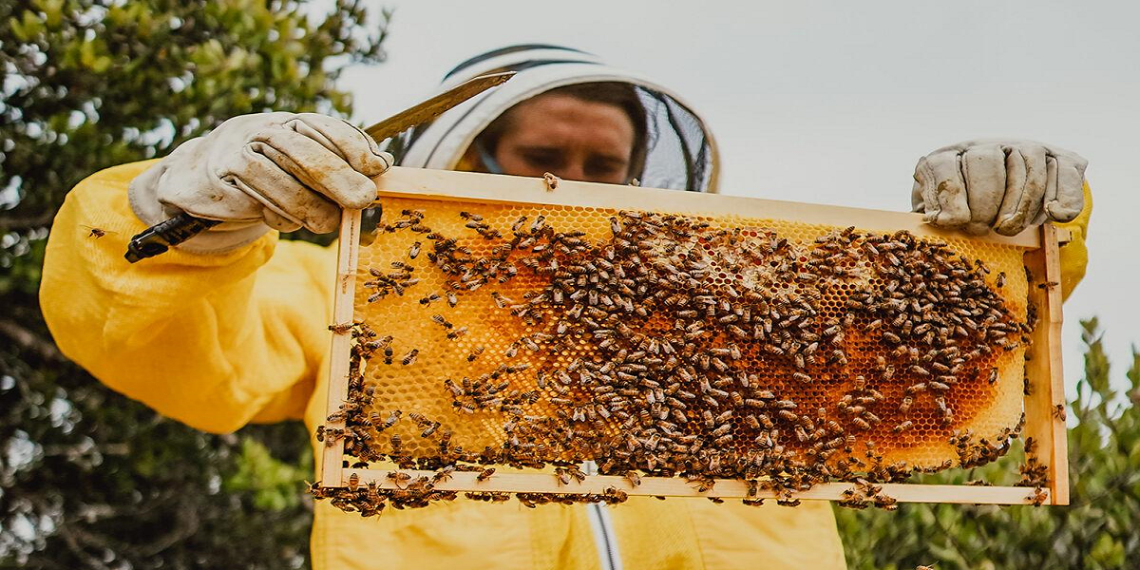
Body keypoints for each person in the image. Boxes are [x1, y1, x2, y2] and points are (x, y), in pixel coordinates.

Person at [40, 45, 1090, 570]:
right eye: (544, 160)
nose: (580, 183)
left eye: (606, 163)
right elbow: (173, 339)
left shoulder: (758, 330)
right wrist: (173, 218)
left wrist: (1014, 240)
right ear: (468, 158)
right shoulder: (351, 304)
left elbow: (954, 364)